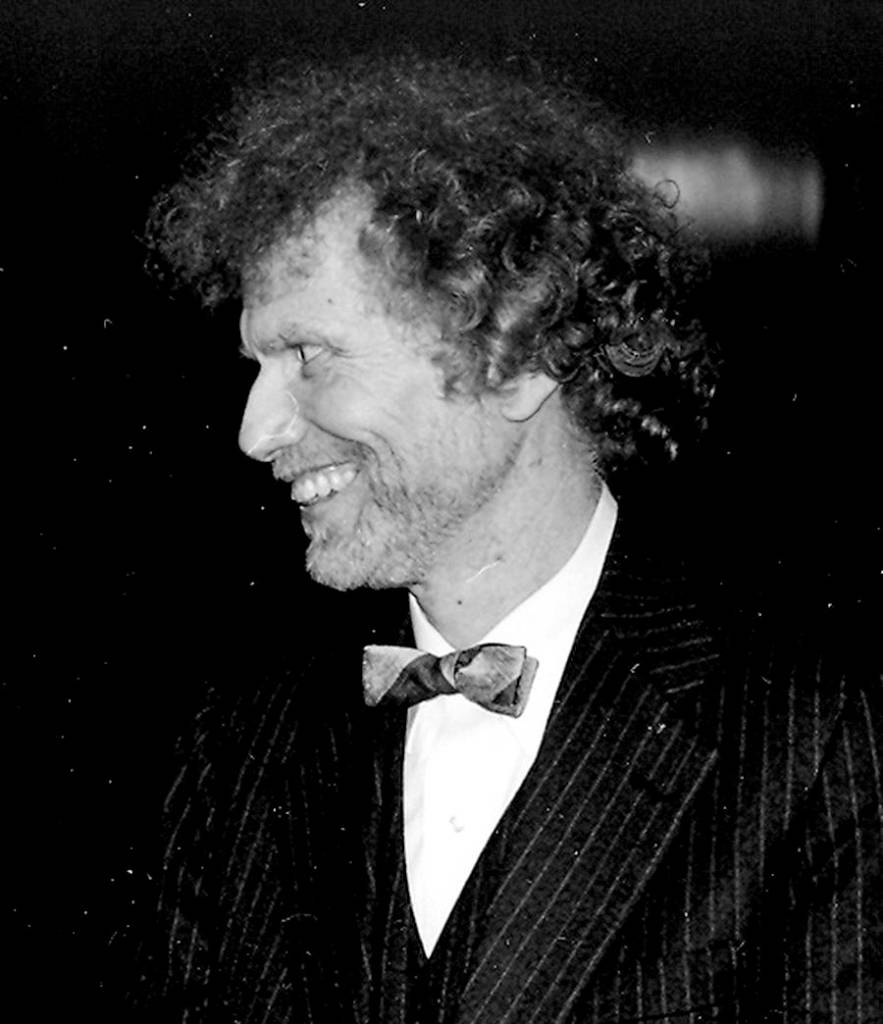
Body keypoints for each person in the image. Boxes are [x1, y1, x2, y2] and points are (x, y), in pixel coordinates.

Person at [139, 53, 880, 1023]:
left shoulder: (811, 736)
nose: (255, 430)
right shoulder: (238, 744)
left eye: (309, 355)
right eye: (255, 363)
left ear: (518, 356)